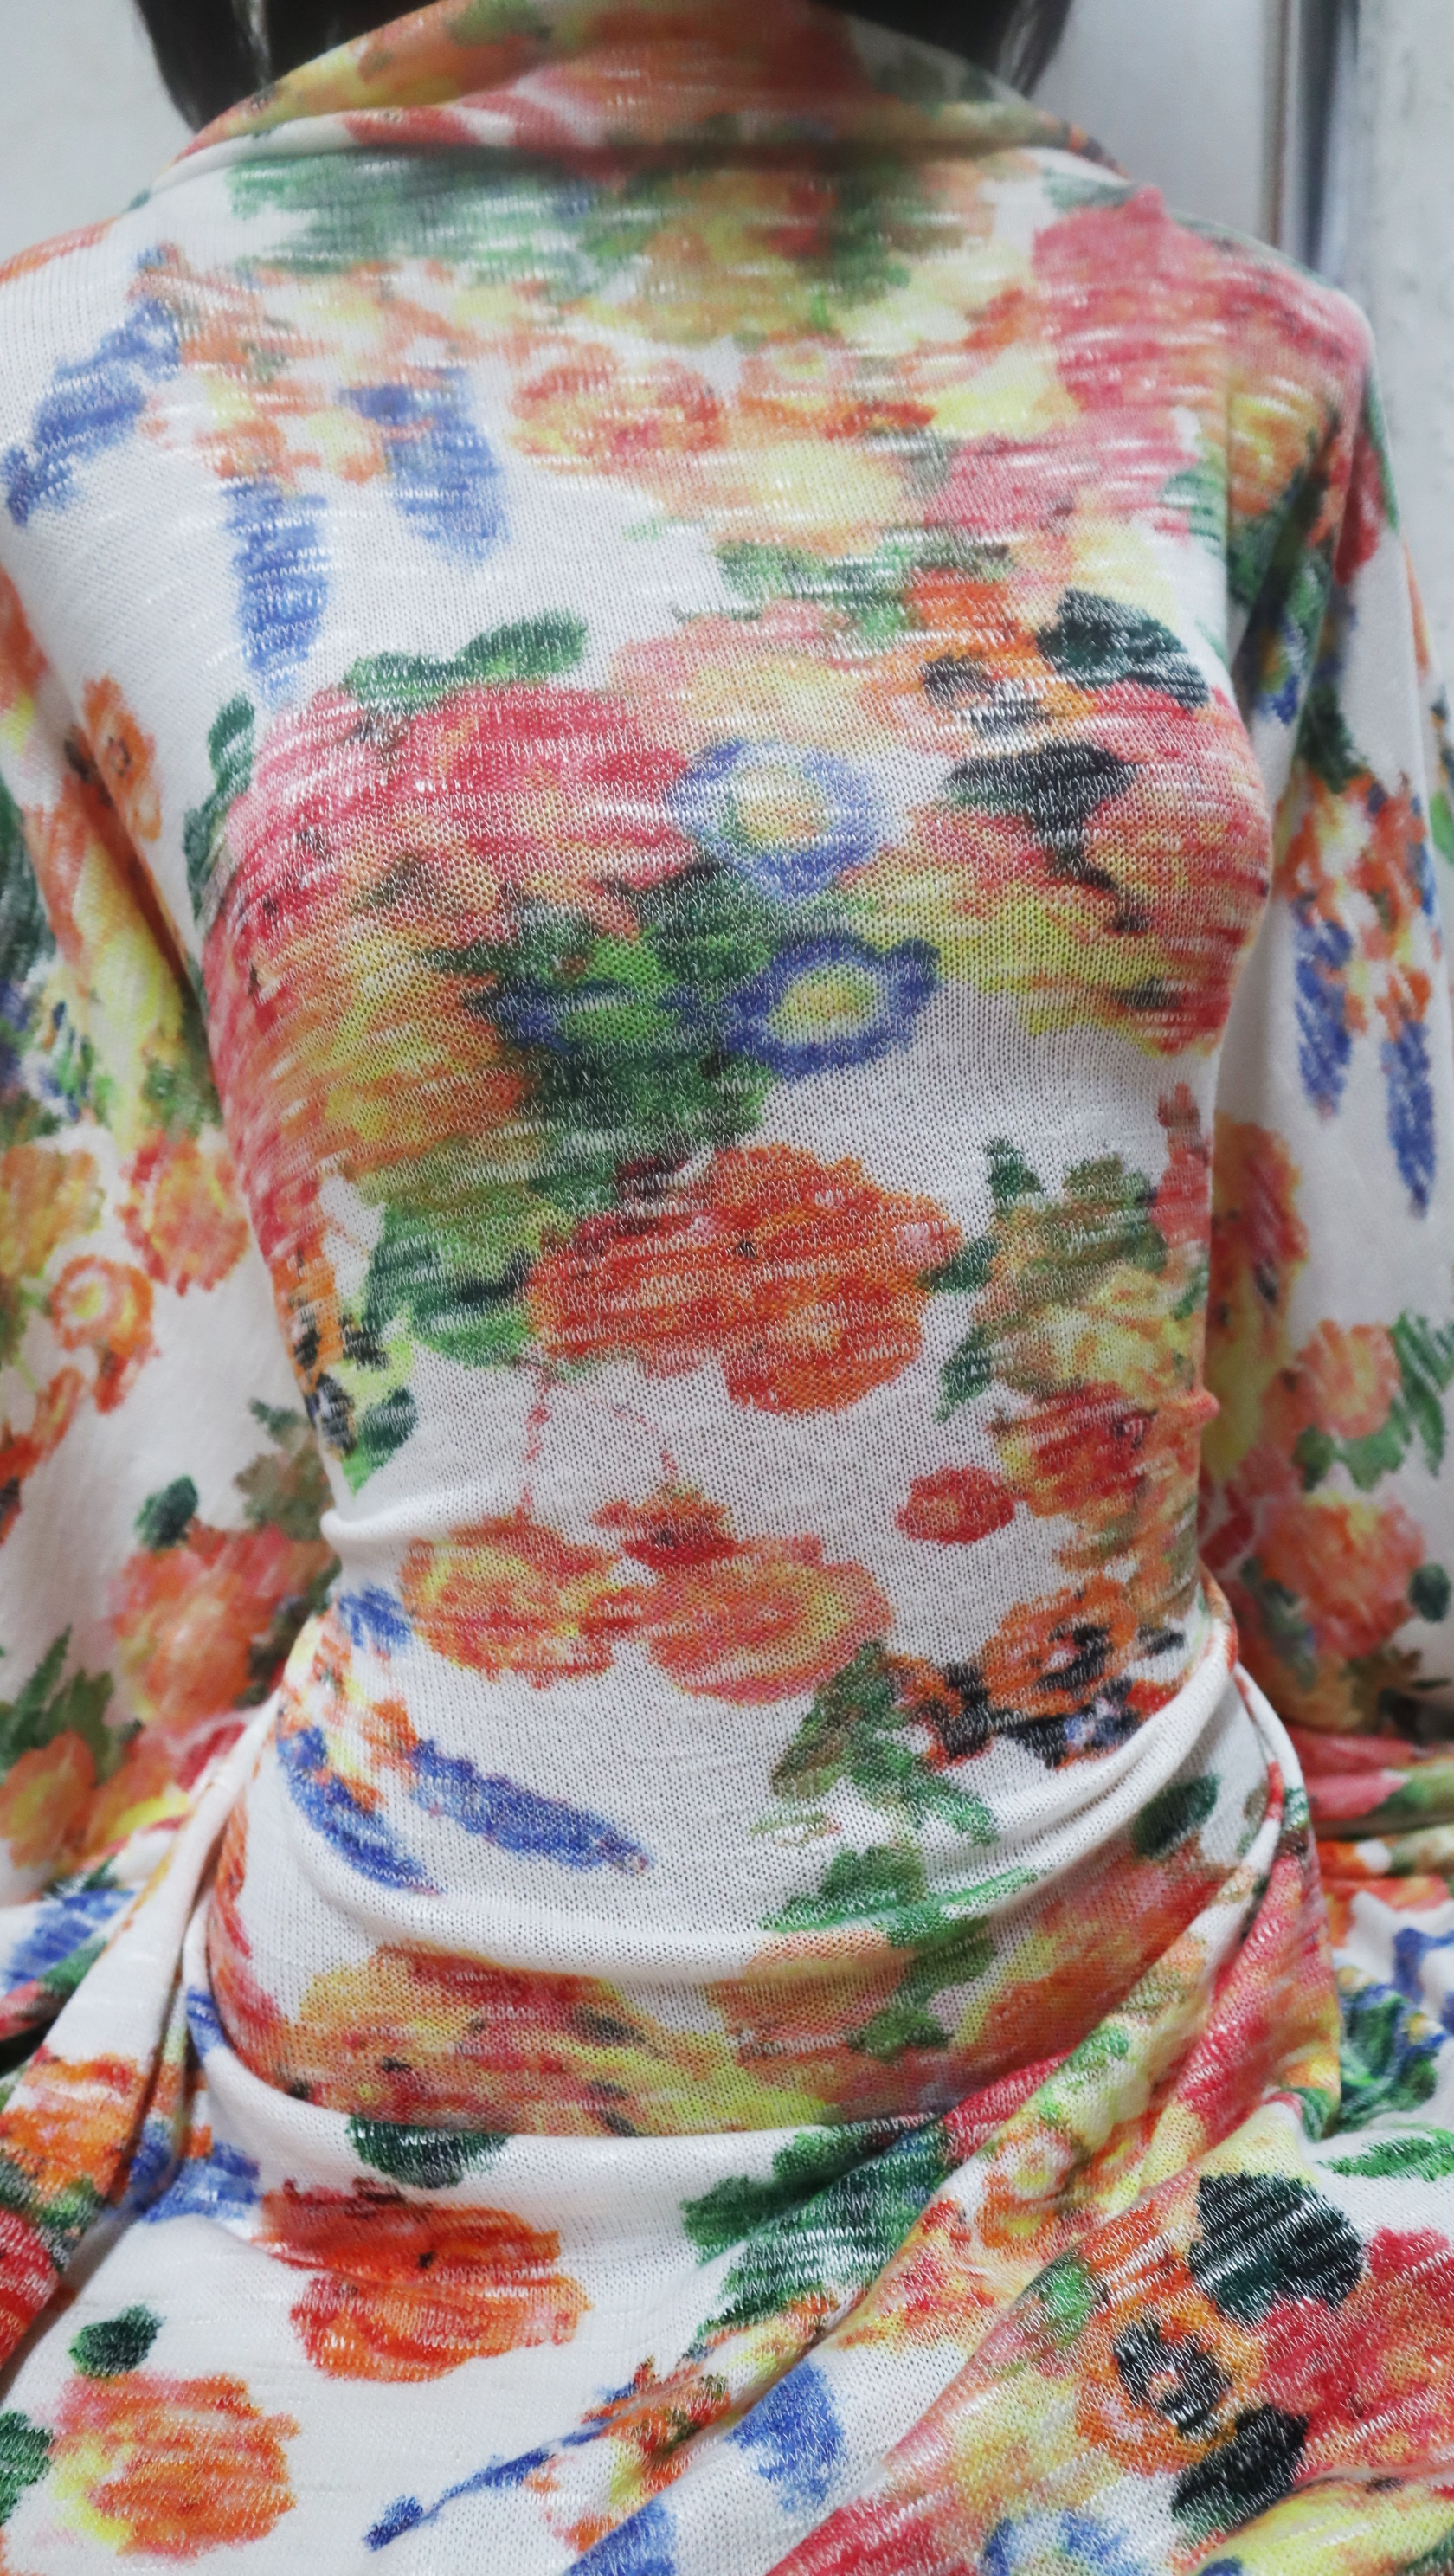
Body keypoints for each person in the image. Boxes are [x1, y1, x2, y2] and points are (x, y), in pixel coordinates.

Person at [0, 0, 1451, 2566]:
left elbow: (1346, 1427)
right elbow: (141, 1451)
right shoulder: (58, 395)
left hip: (1159, 2029)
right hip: (390, 2112)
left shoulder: (1246, 371)